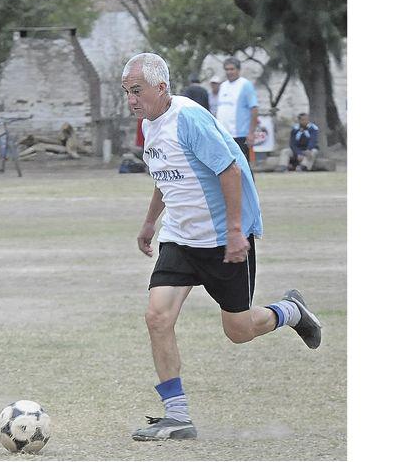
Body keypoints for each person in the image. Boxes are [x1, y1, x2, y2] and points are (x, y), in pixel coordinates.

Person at [120, 53, 322, 441]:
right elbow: (166, 175)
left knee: (239, 330)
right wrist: (150, 223)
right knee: (157, 317)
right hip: (180, 239)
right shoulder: (150, 124)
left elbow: (229, 168)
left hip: (221, 240)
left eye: (136, 90)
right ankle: (177, 416)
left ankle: (291, 311)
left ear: (161, 88)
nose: (131, 99)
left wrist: (234, 231)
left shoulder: (189, 119)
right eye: (127, 91)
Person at [215, 57, 258, 164]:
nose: (229, 72)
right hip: (224, 134)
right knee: (227, 166)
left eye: (232, 69)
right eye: (227, 69)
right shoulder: (223, 86)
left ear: (238, 70)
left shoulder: (245, 85)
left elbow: (254, 108)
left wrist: (251, 133)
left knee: (243, 166)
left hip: (240, 134)